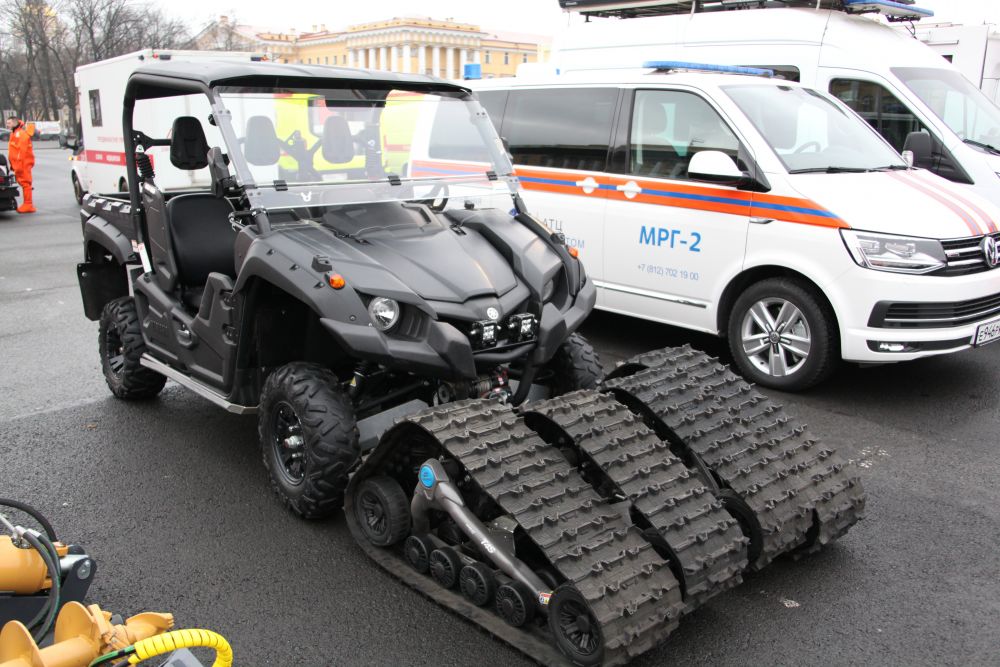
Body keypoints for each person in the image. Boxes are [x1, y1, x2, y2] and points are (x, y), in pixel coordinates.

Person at [6, 114, 35, 214]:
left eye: (9, 123)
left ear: (14, 123)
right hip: (19, 164)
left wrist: (17, 165)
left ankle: (28, 204)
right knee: (24, 183)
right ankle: (27, 204)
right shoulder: (15, 133)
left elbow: (21, 152)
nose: (7, 125)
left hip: (23, 164)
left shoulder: (21, 134)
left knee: (25, 183)